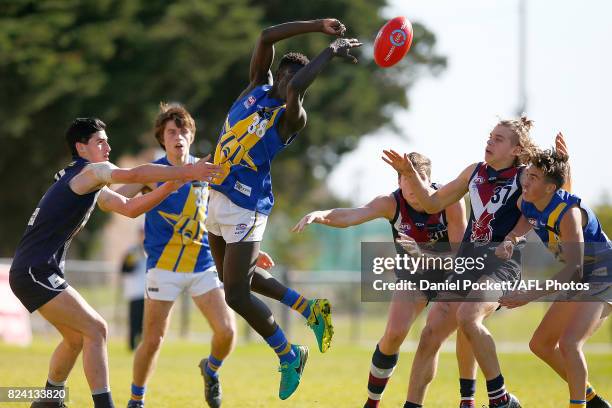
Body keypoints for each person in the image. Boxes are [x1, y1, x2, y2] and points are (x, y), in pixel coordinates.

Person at [8, 117, 220, 408]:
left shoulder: (86, 180)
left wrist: (171, 184)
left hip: (36, 270)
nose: (107, 145)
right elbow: (134, 176)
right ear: (82, 148)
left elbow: (129, 208)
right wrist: (186, 170)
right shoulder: (92, 171)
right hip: (34, 270)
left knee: (75, 338)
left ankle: (48, 400)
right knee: (96, 329)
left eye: (107, 140)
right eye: (100, 141)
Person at [205, 18, 362, 400]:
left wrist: (330, 52)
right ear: (274, 74)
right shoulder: (254, 88)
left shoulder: (292, 117)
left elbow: (297, 89)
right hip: (217, 196)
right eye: (284, 75)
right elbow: (264, 36)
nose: (287, 83)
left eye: (296, 79)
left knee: (236, 296)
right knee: (236, 281)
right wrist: (317, 26)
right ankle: (310, 309)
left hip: (248, 207)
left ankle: (289, 355)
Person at [116, 103, 276, 408]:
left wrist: (248, 246)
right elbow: (120, 199)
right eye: (171, 132)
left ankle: (211, 369)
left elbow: (225, 215)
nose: (179, 136)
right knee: (152, 341)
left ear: (192, 136)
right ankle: (136, 400)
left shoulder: (208, 169)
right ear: (162, 139)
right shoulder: (153, 171)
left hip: (205, 264)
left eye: (184, 130)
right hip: (164, 266)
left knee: (227, 331)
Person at [383, 115, 544, 408]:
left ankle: (501, 400)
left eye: (498, 139)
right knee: (430, 334)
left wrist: (513, 238)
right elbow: (432, 202)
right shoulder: (474, 172)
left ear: (517, 150)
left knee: (468, 317)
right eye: (489, 136)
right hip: (467, 264)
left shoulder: (525, 177)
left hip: (501, 266)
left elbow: (532, 215)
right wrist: (411, 174)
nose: (489, 141)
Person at [293, 151, 475, 408]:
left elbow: (459, 256)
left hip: (451, 275)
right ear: (399, 181)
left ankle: (466, 399)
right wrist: (320, 214)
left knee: (436, 335)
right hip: (414, 274)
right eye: (406, 180)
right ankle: (372, 402)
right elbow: (350, 215)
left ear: (429, 181)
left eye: (419, 179)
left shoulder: (450, 201)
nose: (413, 187)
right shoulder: (391, 203)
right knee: (394, 334)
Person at [496, 147, 612, 408]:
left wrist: (528, 295)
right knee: (541, 344)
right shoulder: (527, 200)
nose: (526, 180)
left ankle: (578, 404)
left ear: (550, 188)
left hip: (604, 273)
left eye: (534, 177)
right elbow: (527, 218)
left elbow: (575, 269)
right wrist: (512, 238)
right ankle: (592, 400)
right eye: (528, 174)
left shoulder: (569, 214)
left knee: (570, 343)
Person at [119, 228, 146, 351]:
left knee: (145, 322)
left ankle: (142, 346)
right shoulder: (132, 251)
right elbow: (124, 270)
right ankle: (132, 346)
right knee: (134, 321)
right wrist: (135, 260)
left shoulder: (151, 249)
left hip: (147, 292)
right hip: (135, 292)